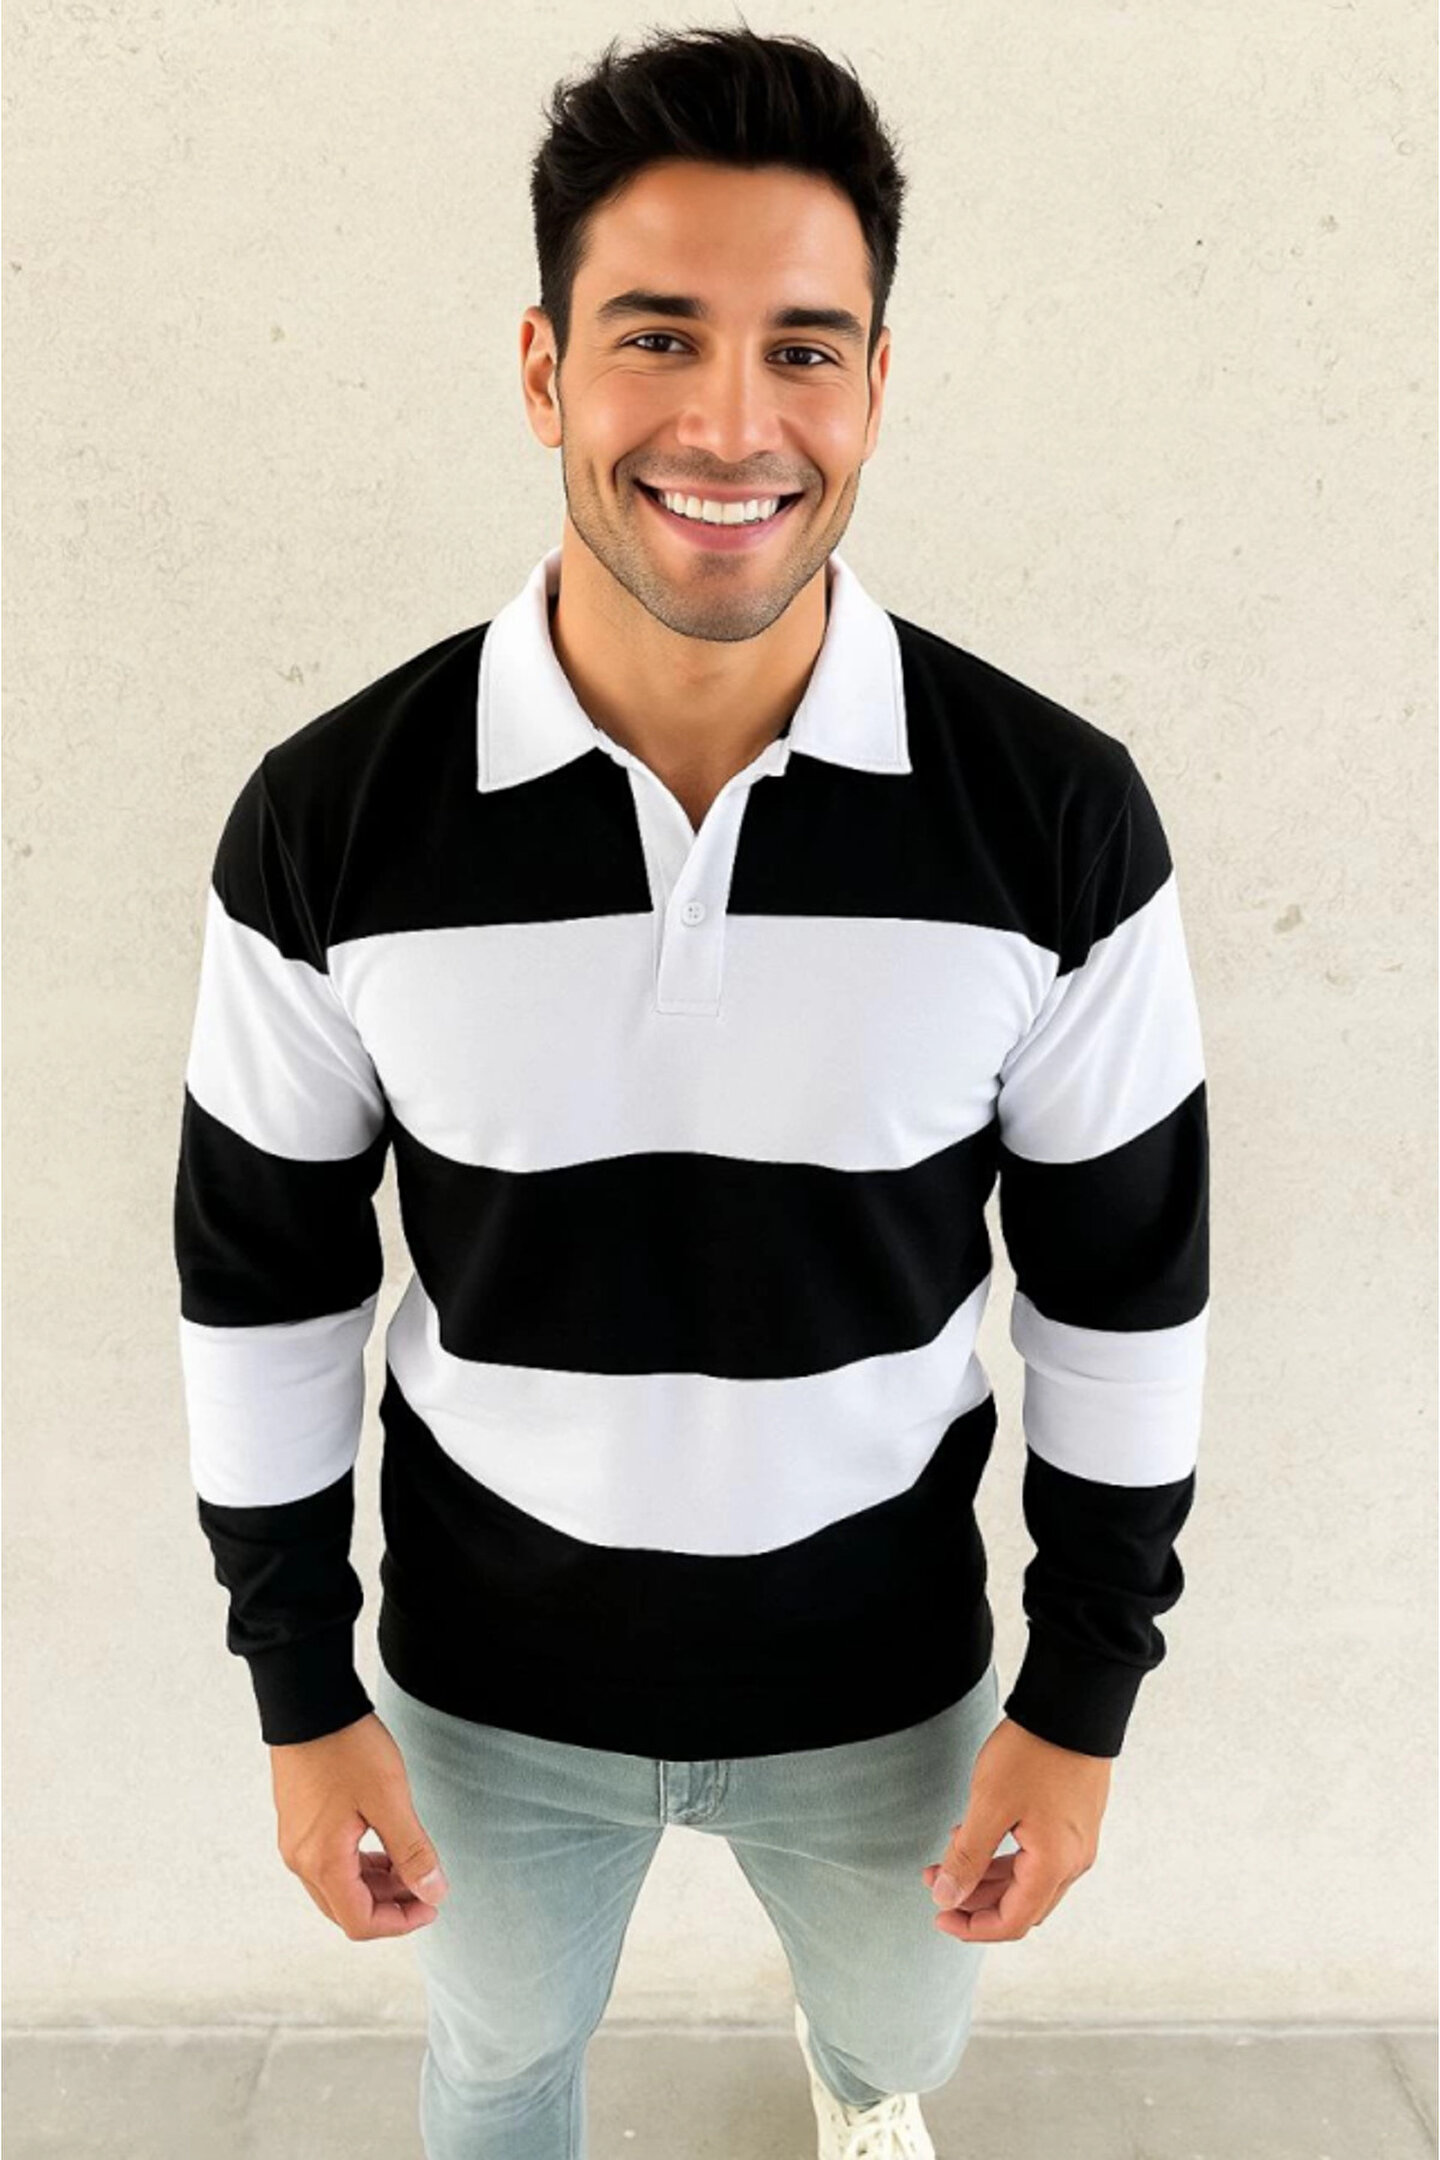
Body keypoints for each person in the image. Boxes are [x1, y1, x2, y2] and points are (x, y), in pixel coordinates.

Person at [173, 25, 1210, 2160]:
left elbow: (1119, 1294)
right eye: (659, 337)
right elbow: (265, 1288)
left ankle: (859, 2092)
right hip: (480, 1693)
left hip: (891, 1684)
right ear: (544, 372)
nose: (733, 423)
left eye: (802, 350)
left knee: (903, 2041)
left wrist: (1080, 1696)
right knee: (498, 2076)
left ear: (875, 388)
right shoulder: (329, 823)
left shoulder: (1055, 820)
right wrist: (300, 1688)